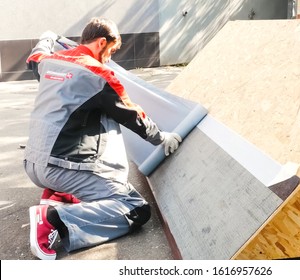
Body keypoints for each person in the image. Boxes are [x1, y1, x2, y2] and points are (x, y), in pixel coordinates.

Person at [24, 17, 182, 260]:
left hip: (33, 165)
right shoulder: (99, 73)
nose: (111, 57)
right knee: (135, 207)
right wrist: (161, 138)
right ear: (101, 43)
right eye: (112, 50)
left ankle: (58, 195)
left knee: (92, 117)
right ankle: (52, 221)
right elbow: (133, 116)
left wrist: (48, 36)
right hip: (61, 168)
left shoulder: (49, 62)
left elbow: (34, 56)